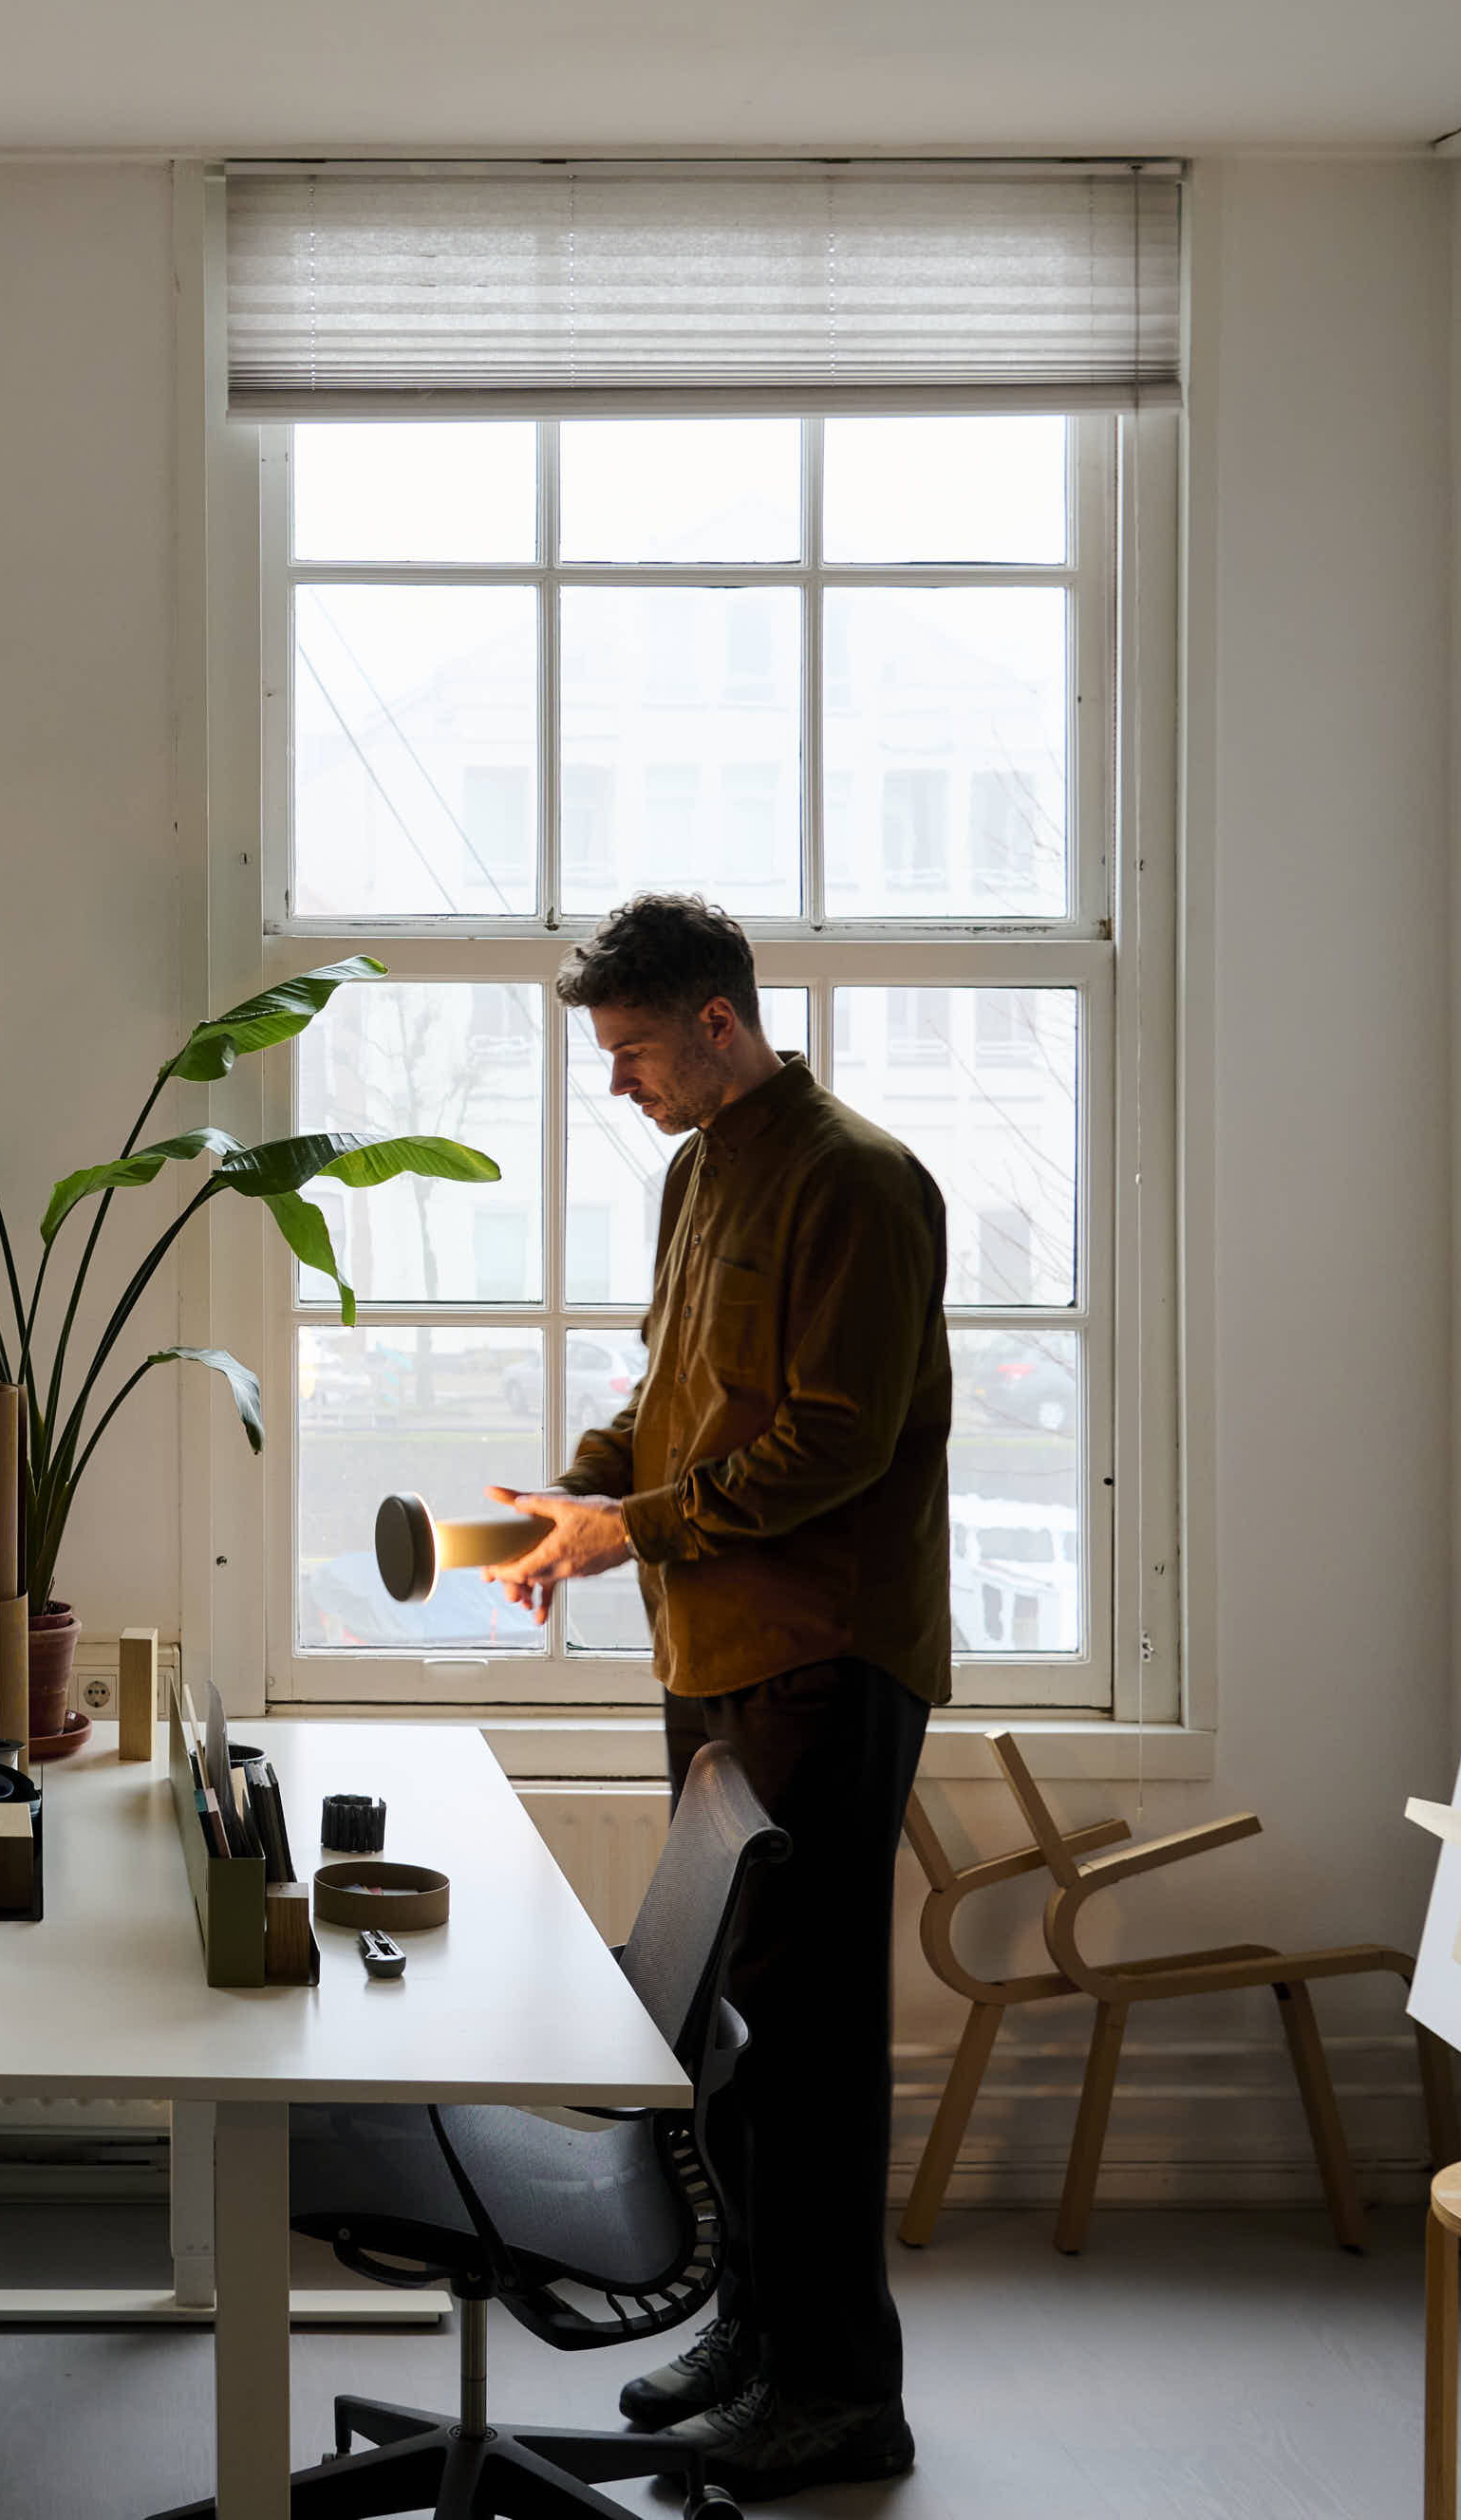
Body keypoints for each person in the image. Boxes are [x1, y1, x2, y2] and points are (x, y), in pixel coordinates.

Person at [483, 892, 948, 2502]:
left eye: (631, 1056)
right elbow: (675, 1394)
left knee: (809, 2043)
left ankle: (842, 2401)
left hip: (824, 1658)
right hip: (715, 1653)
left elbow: (837, 1439)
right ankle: (755, 2339)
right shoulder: (698, 1175)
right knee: (735, 2033)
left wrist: (643, 1527)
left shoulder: (860, 1184)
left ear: (717, 1025)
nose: (620, 1087)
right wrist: (581, 1499)